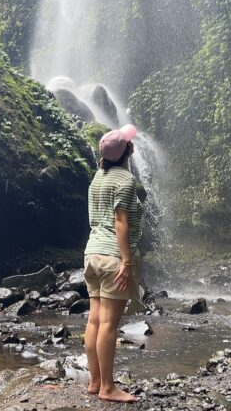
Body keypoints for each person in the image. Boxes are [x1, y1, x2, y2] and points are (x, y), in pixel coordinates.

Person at [83, 123, 144, 403]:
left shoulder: (97, 178)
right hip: (112, 257)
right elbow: (121, 222)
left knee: (94, 320)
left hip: (92, 254)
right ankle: (108, 387)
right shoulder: (125, 181)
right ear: (127, 152)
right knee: (108, 323)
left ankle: (95, 381)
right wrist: (127, 262)